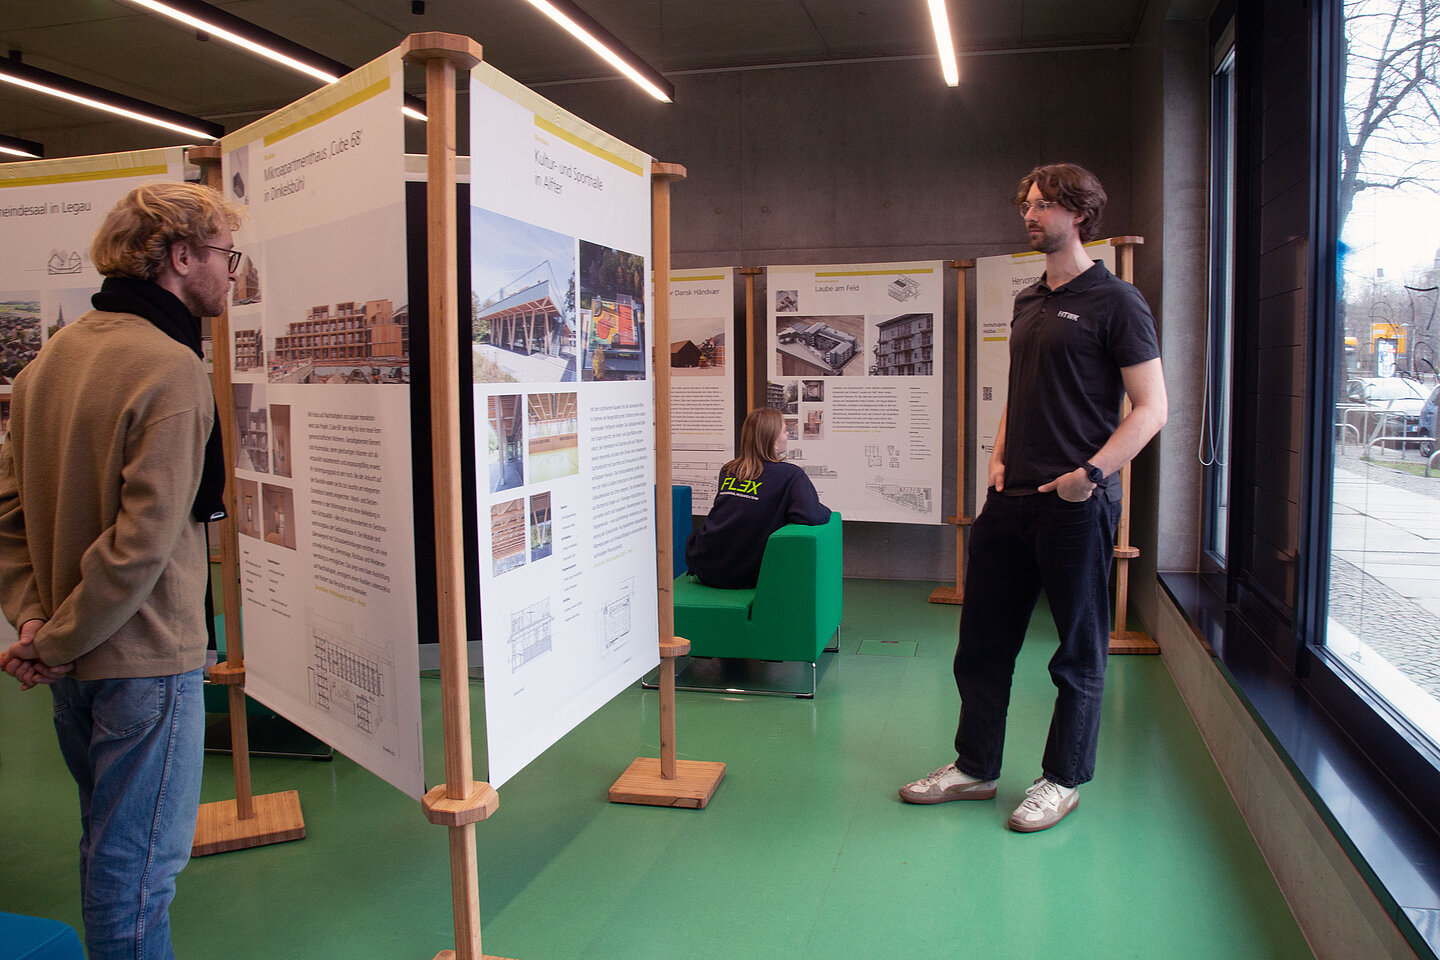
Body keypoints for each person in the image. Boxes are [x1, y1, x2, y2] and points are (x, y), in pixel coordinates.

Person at [0, 181, 242, 958]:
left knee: (107, 842)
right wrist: (59, 638)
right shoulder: (169, 368)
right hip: (142, 657)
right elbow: (143, 544)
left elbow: (7, 513)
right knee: (136, 871)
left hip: (75, 661)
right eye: (224, 256)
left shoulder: (48, 364)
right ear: (179, 257)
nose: (231, 273)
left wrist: (37, 622)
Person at [900, 163, 1168, 832]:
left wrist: (1091, 475)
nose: (1030, 213)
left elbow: (1151, 408)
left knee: (1077, 653)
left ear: (1079, 215)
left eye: (1045, 204)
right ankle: (974, 768)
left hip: (1076, 505)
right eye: (1027, 202)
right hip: (1010, 500)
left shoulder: (1117, 301)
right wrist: (995, 455)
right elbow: (1019, 391)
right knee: (981, 644)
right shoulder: (1028, 300)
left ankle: (1062, 779)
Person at [685, 407, 831, 588]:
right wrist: (828, 511)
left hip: (705, 564)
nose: (787, 436)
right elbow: (812, 515)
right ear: (773, 440)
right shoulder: (790, 475)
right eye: (785, 431)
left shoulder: (729, 470)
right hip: (746, 573)